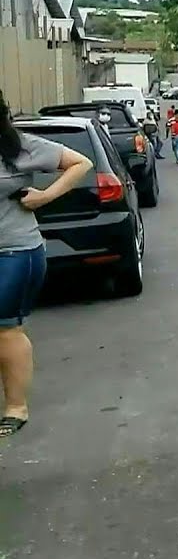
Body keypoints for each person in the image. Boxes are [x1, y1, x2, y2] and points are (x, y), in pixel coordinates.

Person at [0, 91, 93, 438]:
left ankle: (15, 407)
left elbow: (80, 163)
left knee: (5, 327)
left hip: (14, 251)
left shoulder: (19, 147)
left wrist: (45, 196)